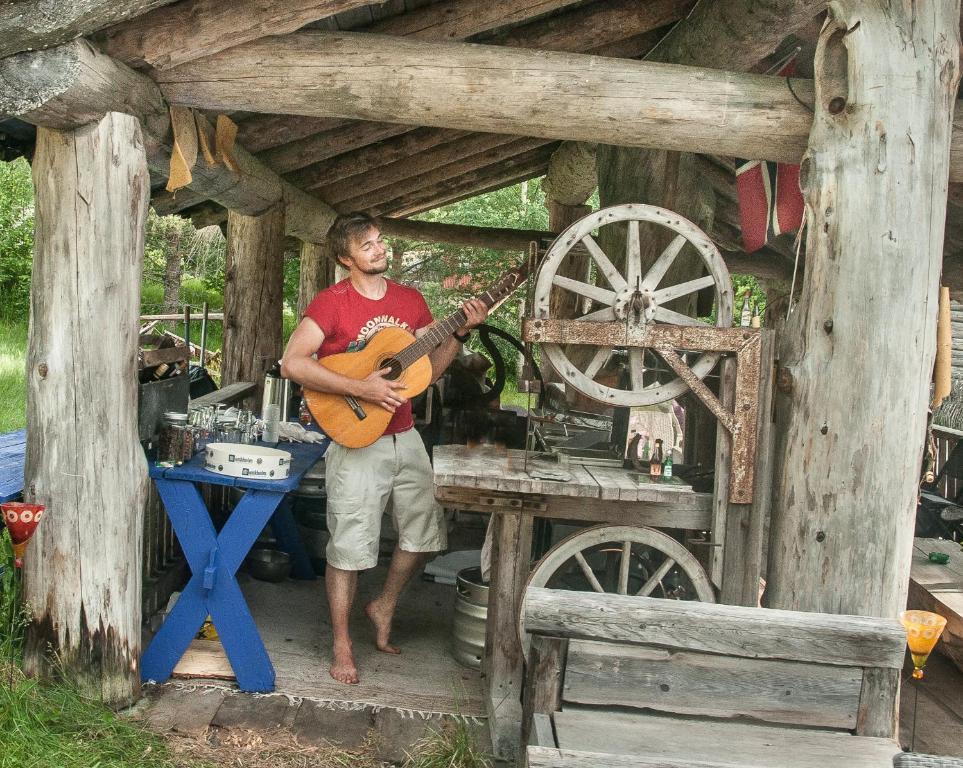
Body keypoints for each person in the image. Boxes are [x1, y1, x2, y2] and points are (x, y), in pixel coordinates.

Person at [280, 212, 488, 685]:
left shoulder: (410, 300)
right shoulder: (331, 304)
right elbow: (292, 363)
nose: (378, 248)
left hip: (404, 434)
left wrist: (457, 333)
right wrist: (364, 388)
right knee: (350, 546)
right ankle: (341, 642)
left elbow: (425, 373)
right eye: (366, 244)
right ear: (344, 257)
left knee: (424, 532)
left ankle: (383, 604)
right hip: (354, 437)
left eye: (379, 240)